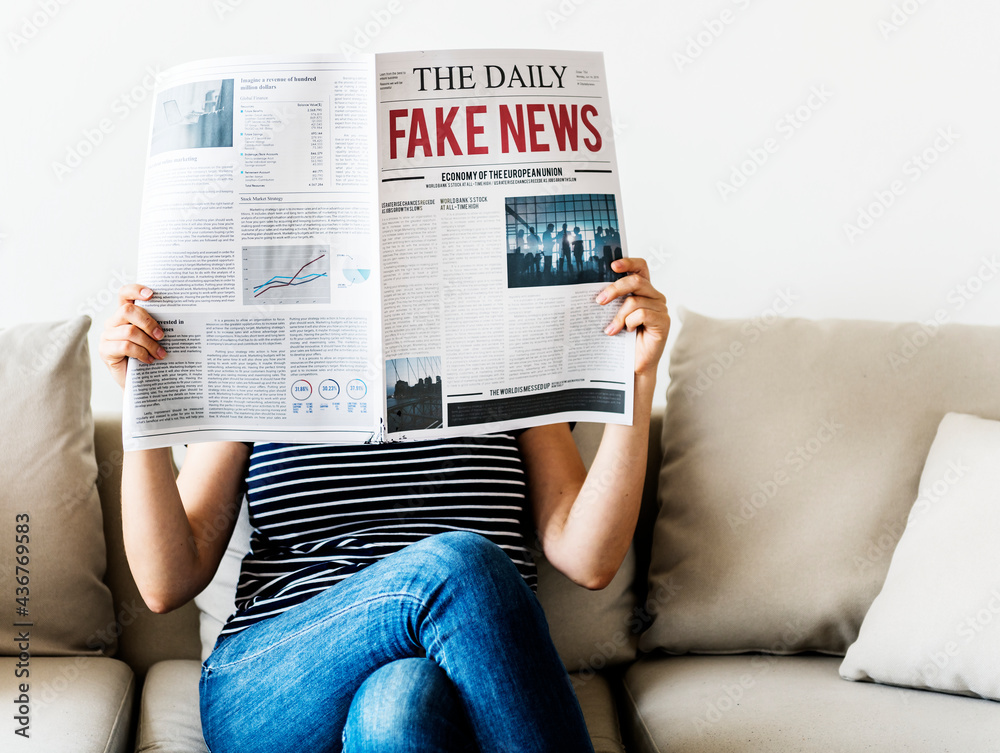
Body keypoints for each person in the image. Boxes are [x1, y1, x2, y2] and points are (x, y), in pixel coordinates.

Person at [98, 259, 669, 753]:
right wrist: (142, 409)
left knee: (398, 703)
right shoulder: (266, 349)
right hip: (275, 682)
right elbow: (165, 582)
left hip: (450, 681)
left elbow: (588, 558)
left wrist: (638, 379)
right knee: (458, 566)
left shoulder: (504, 351)